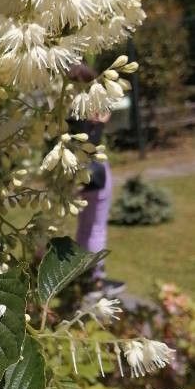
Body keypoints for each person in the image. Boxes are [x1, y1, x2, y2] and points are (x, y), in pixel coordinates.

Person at [68, 65, 125, 296]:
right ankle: (96, 281)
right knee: (96, 229)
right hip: (96, 172)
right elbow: (92, 141)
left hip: (79, 173)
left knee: (85, 227)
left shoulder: (64, 109)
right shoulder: (89, 109)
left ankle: (82, 277)